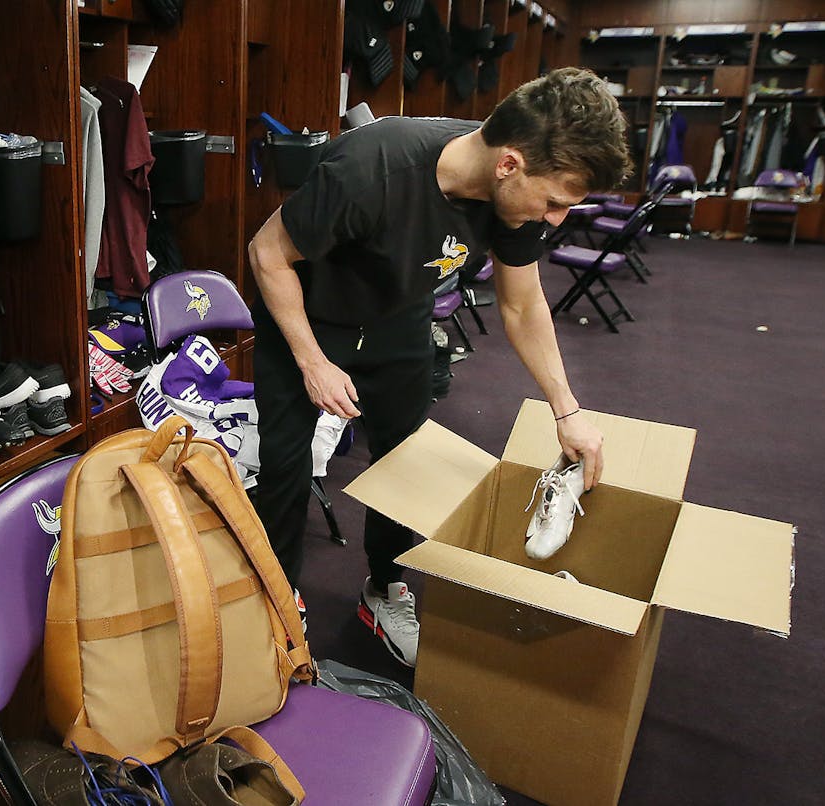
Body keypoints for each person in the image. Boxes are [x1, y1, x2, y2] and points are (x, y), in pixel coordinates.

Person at [246, 67, 631, 667]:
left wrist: (568, 410)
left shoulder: (512, 204)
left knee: (404, 466)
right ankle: (274, 603)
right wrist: (313, 360)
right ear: (509, 164)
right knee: (287, 474)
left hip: (398, 320)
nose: (555, 220)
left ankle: (384, 591)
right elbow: (267, 253)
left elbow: (522, 303)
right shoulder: (371, 170)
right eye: (555, 201)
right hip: (310, 319)